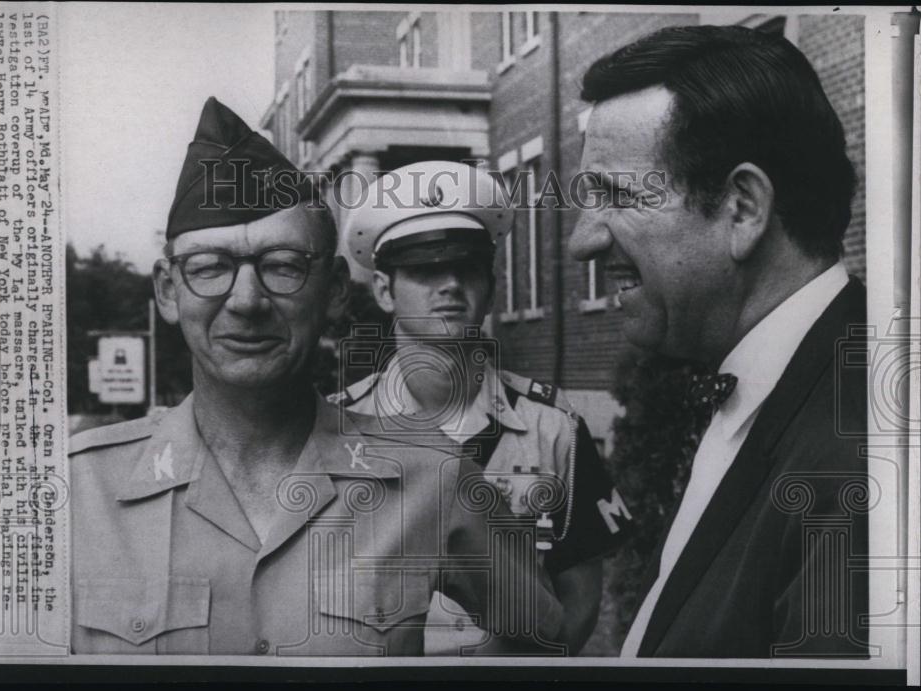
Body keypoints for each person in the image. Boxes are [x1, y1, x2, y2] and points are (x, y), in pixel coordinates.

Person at [68, 98, 563, 655]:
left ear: (331, 292)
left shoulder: (434, 477)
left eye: (283, 266)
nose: (247, 301)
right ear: (166, 290)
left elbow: (540, 641)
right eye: (210, 267)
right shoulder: (75, 492)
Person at [569, 25, 869, 658]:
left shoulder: (858, 465)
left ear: (741, 209)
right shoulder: (777, 382)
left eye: (615, 197)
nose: (583, 241)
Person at [331, 161, 633, 654]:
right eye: (426, 268)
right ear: (385, 291)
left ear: (490, 288)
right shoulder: (338, 430)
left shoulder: (552, 428)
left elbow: (578, 602)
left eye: (467, 266)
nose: (450, 283)